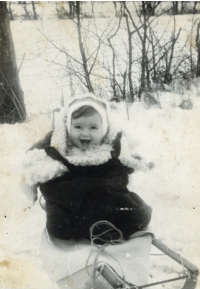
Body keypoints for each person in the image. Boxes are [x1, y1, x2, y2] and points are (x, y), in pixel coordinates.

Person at [21, 94, 152, 244]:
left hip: (103, 197)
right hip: (70, 201)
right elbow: (47, 181)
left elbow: (120, 177)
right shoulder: (61, 151)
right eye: (78, 127)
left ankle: (109, 227)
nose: (85, 133)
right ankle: (94, 230)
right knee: (59, 226)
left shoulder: (107, 151)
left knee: (137, 216)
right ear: (67, 128)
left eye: (93, 127)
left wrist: (110, 187)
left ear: (104, 130)